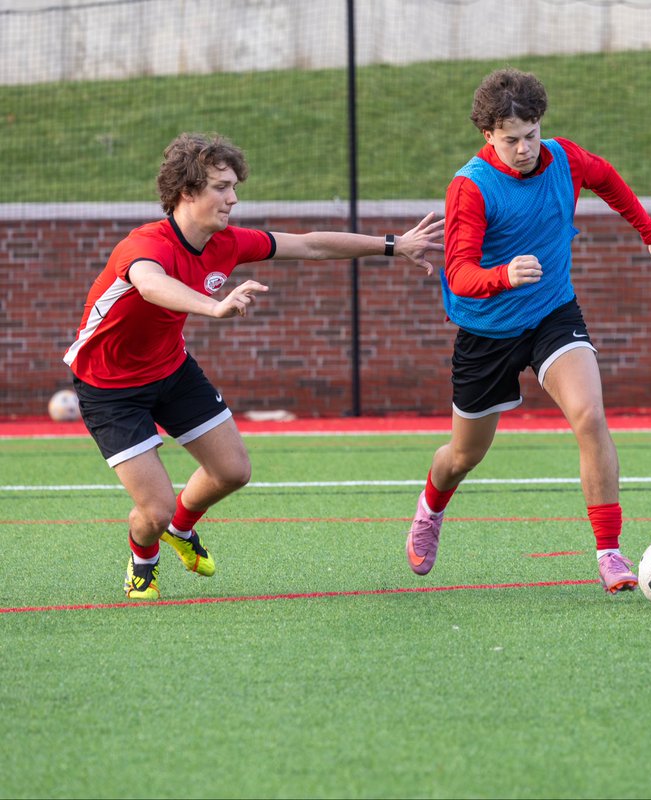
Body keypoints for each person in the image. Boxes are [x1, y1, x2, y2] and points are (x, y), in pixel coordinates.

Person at [64, 132, 444, 601]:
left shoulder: (226, 242)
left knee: (233, 471)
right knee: (153, 511)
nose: (233, 197)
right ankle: (144, 560)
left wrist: (393, 244)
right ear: (187, 192)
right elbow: (150, 285)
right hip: (109, 387)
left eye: (233, 186)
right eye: (221, 187)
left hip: (171, 369)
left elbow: (310, 246)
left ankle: (181, 529)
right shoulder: (147, 244)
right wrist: (214, 306)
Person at [404, 68, 651, 593]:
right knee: (463, 455)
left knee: (590, 415)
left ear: (541, 126)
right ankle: (430, 509)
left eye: (530, 135)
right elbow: (460, 275)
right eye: (510, 139)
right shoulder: (470, 188)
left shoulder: (564, 158)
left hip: (553, 313)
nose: (523, 148)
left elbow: (606, 178)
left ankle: (609, 553)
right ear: (488, 135)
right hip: (486, 331)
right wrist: (503, 275)